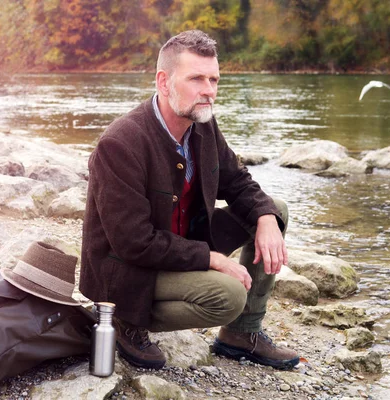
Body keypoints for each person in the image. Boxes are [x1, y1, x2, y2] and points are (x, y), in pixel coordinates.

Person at [80, 30, 299, 371]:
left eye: (214, 80)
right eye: (196, 78)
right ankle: (124, 319)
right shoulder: (121, 143)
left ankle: (241, 334)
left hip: (179, 245)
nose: (209, 91)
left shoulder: (203, 125)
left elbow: (237, 181)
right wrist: (212, 259)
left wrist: (267, 218)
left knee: (273, 209)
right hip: (129, 269)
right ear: (163, 81)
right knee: (229, 295)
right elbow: (132, 243)